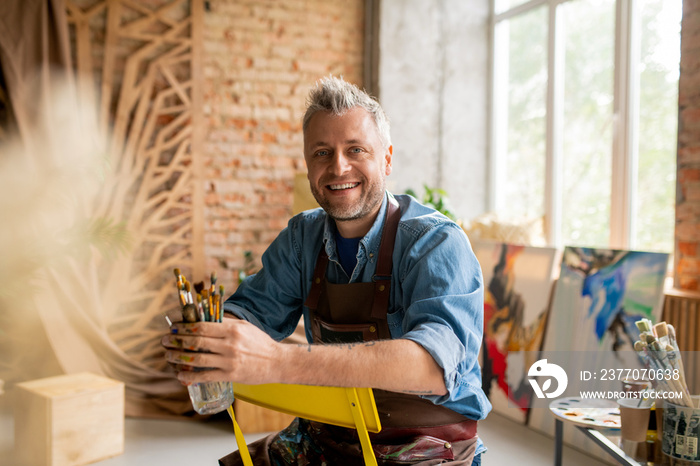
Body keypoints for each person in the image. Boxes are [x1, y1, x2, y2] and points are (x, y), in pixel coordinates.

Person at [162, 76, 491, 465]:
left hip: (424, 447)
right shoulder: (303, 237)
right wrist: (211, 342)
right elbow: (250, 313)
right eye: (322, 152)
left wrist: (274, 361)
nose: (338, 166)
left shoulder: (435, 243)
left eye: (355, 149)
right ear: (307, 164)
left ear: (386, 158)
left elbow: (433, 365)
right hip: (328, 435)